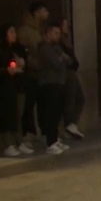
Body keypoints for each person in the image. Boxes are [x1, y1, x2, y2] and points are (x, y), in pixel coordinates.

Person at [0, 24, 32, 157]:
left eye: (14, 32)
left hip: (17, 85)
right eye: (11, 32)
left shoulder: (16, 48)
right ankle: (8, 144)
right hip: (3, 87)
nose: (14, 34)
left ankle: (19, 141)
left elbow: (23, 61)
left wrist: (22, 64)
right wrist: (7, 71)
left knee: (17, 115)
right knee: (6, 115)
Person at [37, 24, 72, 154]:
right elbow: (56, 63)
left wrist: (63, 59)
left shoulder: (56, 47)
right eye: (55, 33)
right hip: (49, 83)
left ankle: (55, 139)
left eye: (59, 33)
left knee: (57, 113)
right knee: (50, 114)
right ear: (47, 34)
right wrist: (61, 59)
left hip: (59, 83)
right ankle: (50, 142)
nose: (58, 36)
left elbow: (69, 60)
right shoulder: (44, 48)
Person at [17, 1, 49, 142]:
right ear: (36, 13)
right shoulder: (25, 31)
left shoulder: (41, 30)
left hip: (42, 74)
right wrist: (34, 64)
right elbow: (24, 53)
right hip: (31, 74)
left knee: (43, 104)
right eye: (43, 10)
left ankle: (42, 131)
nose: (46, 13)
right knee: (29, 105)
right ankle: (28, 133)